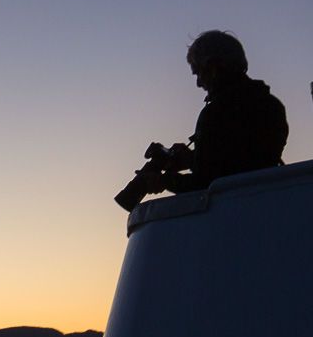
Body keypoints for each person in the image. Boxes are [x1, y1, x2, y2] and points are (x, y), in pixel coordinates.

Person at [114, 30, 288, 209]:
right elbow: (240, 164)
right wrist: (192, 160)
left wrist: (163, 181)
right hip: (265, 204)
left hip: (233, 210)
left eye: (198, 72)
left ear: (213, 68)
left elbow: (208, 183)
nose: (198, 83)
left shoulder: (216, 113)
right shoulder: (271, 105)